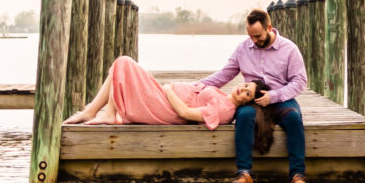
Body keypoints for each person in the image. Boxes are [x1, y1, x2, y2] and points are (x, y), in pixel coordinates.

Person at [199, 8, 309, 183]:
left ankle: (297, 175)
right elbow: (225, 74)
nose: (254, 41)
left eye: (257, 36)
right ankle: (244, 173)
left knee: (293, 118)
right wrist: (196, 86)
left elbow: (300, 82)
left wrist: (274, 96)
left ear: (269, 28)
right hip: (252, 100)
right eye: (250, 36)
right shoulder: (243, 48)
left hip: (280, 97)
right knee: (244, 116)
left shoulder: (289, 49)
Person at [65, 55, 267, 130]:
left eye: (246, 94)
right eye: (246, 85)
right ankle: (99, 112)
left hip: (165, 109)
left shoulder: (225, 110)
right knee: (120, 67)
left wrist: (170, 91)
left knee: (124, 63)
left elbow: (186, 113)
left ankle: (101, 113)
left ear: (247, 103)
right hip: (162, 99)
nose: (242, 89)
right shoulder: (224, 97)